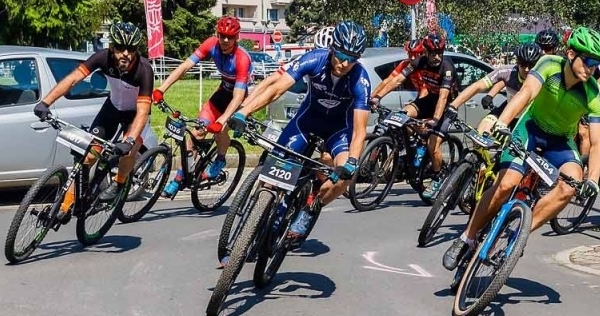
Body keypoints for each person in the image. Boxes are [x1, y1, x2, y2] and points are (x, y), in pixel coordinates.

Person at [443, 26, 600, 272]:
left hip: (560, 142)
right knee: (506, 184)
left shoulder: (595, 95)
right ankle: (466, 237)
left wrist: (593, 180)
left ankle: (519, 233)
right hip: (530, 129)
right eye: (589, 60)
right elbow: (526, 93)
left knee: (572, 182)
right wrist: (502, 122)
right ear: (572, 54)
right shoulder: (549, 64)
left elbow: (597, 144)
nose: (592, 67)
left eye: (597, 63)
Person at [225, 21, 373, 245]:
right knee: (275, 168)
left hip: (338, 131)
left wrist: (351, 161)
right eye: (341, 55)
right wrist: (243, 113)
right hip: (307, 122)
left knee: (345, 177)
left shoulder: (360, 80)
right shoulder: (315, 59)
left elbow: (360, 129)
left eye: (351, 59)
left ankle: (312, 207)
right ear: (333, 48)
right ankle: (260, 208)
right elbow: (276, 88)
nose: (344, 63)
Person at [32, 21, 154, 209]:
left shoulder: (144, 70)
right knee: (88, 156)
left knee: (129, 150)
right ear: (112, 46)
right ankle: (68, 204)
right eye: (121, 48)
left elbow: (143, 111)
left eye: (131, 49)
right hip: (112, 108)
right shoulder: (102, 58)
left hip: (135, 114)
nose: (126, 54)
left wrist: (129, 140)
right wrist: (45, 102)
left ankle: (119, 182)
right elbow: (73, 79)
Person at [152, 15, 252, 199]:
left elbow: (238, 96)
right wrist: (161, 89)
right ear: (217, 34)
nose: (225, 40)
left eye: (230, 37)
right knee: (196, 132)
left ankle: (220, 160)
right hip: (222, 93)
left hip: (242, 99)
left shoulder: (241, 58)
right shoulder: (211, 44)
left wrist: (221, 120)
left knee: (220, 130)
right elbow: (185, 67)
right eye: (222, 35)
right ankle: (180, 177)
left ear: (237, 37)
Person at [372, 31, 458, 190]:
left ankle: (438, 176)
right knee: (402, 115)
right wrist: (378, 97)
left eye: (439, 53)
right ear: (425, 52)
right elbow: (397, 80)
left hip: (447, 105)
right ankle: (414, 148)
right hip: (430, 100)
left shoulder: (447, 67)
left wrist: (435, 120)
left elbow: (443, 97)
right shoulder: (419, 62)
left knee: (433, 145)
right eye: (433, 53)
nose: (437, 57)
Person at [451, 41, 541, 114]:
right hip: (509, 113)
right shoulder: (507, 71)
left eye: (532, 65)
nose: (527, 69)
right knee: (484, 127)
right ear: (517, 62)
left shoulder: (543, 77)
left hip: (531, 118)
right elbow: (477, 86)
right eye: (523, 64)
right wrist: (453, 106)